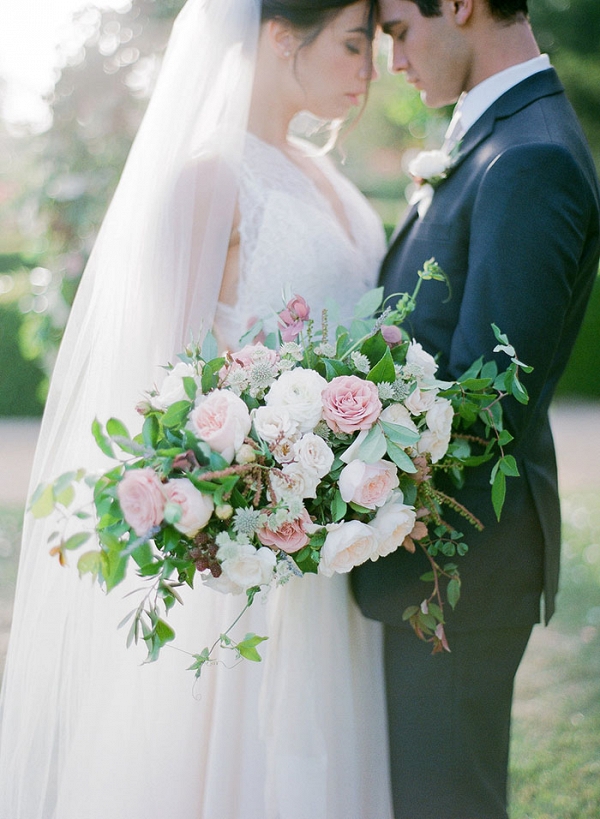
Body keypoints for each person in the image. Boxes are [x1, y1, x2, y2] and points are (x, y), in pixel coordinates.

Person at [0, 2, 396, 818]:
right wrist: (255, 487)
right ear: (283, 36)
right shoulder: (208, 179)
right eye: (354, 44)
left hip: (340, 544)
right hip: (243, 553)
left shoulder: (333, 178)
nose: (370, 71)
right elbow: (161, 385)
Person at [352, 1, 600, 817]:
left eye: (395, 30)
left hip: (459, 574)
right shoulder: (498, 137)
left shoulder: (530, 159)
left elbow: (483, 406)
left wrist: (321, 476)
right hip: (435, 569)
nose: (392, 61)